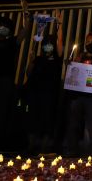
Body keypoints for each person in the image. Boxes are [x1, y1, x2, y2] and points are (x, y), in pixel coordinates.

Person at [0, 0, 30, 153]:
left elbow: (25, 30)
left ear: (9, 30)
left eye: (4, 26)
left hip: (4, 81)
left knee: (0, 111)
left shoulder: (12, 43)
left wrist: (24, 10)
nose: (0, 27)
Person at [64, 31, 92, 156]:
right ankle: (72, 150)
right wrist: (70, 66)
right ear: (85, 43)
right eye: (89, 41)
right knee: (73, 124)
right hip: (77, 96)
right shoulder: (79, 56)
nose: (91, 43)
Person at [25, 9, 63, 155]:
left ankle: (45, 146)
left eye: (50, 44)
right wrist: (30, 61)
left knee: (47, 119)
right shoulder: (38, 58)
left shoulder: (57, 59)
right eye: (46, 44)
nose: (48, 46)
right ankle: (31, 145)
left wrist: (59, 24)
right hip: (35, 93)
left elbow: (60, 41)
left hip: (49, 93)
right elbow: (28, 74)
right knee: (33, 118)